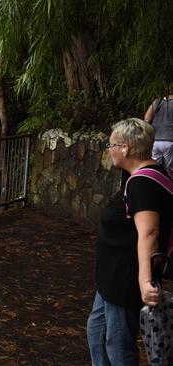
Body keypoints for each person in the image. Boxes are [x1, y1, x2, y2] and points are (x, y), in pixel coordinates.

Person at [87, 118, 173, 365]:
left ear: (125, 148)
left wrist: (145, 282)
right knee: (97, 331)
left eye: (111, 144)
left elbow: (149, 233)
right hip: (111, 278)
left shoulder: (143, 183)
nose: (109, 149)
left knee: (118, 345)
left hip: (125, 278)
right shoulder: (137, 175)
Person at [143, 83, 173, 174]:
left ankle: (156, 184)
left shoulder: (157, 101)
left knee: (156, 169)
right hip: (170, 140)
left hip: (155, 141)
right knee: (170, 170)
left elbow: (147, 119)